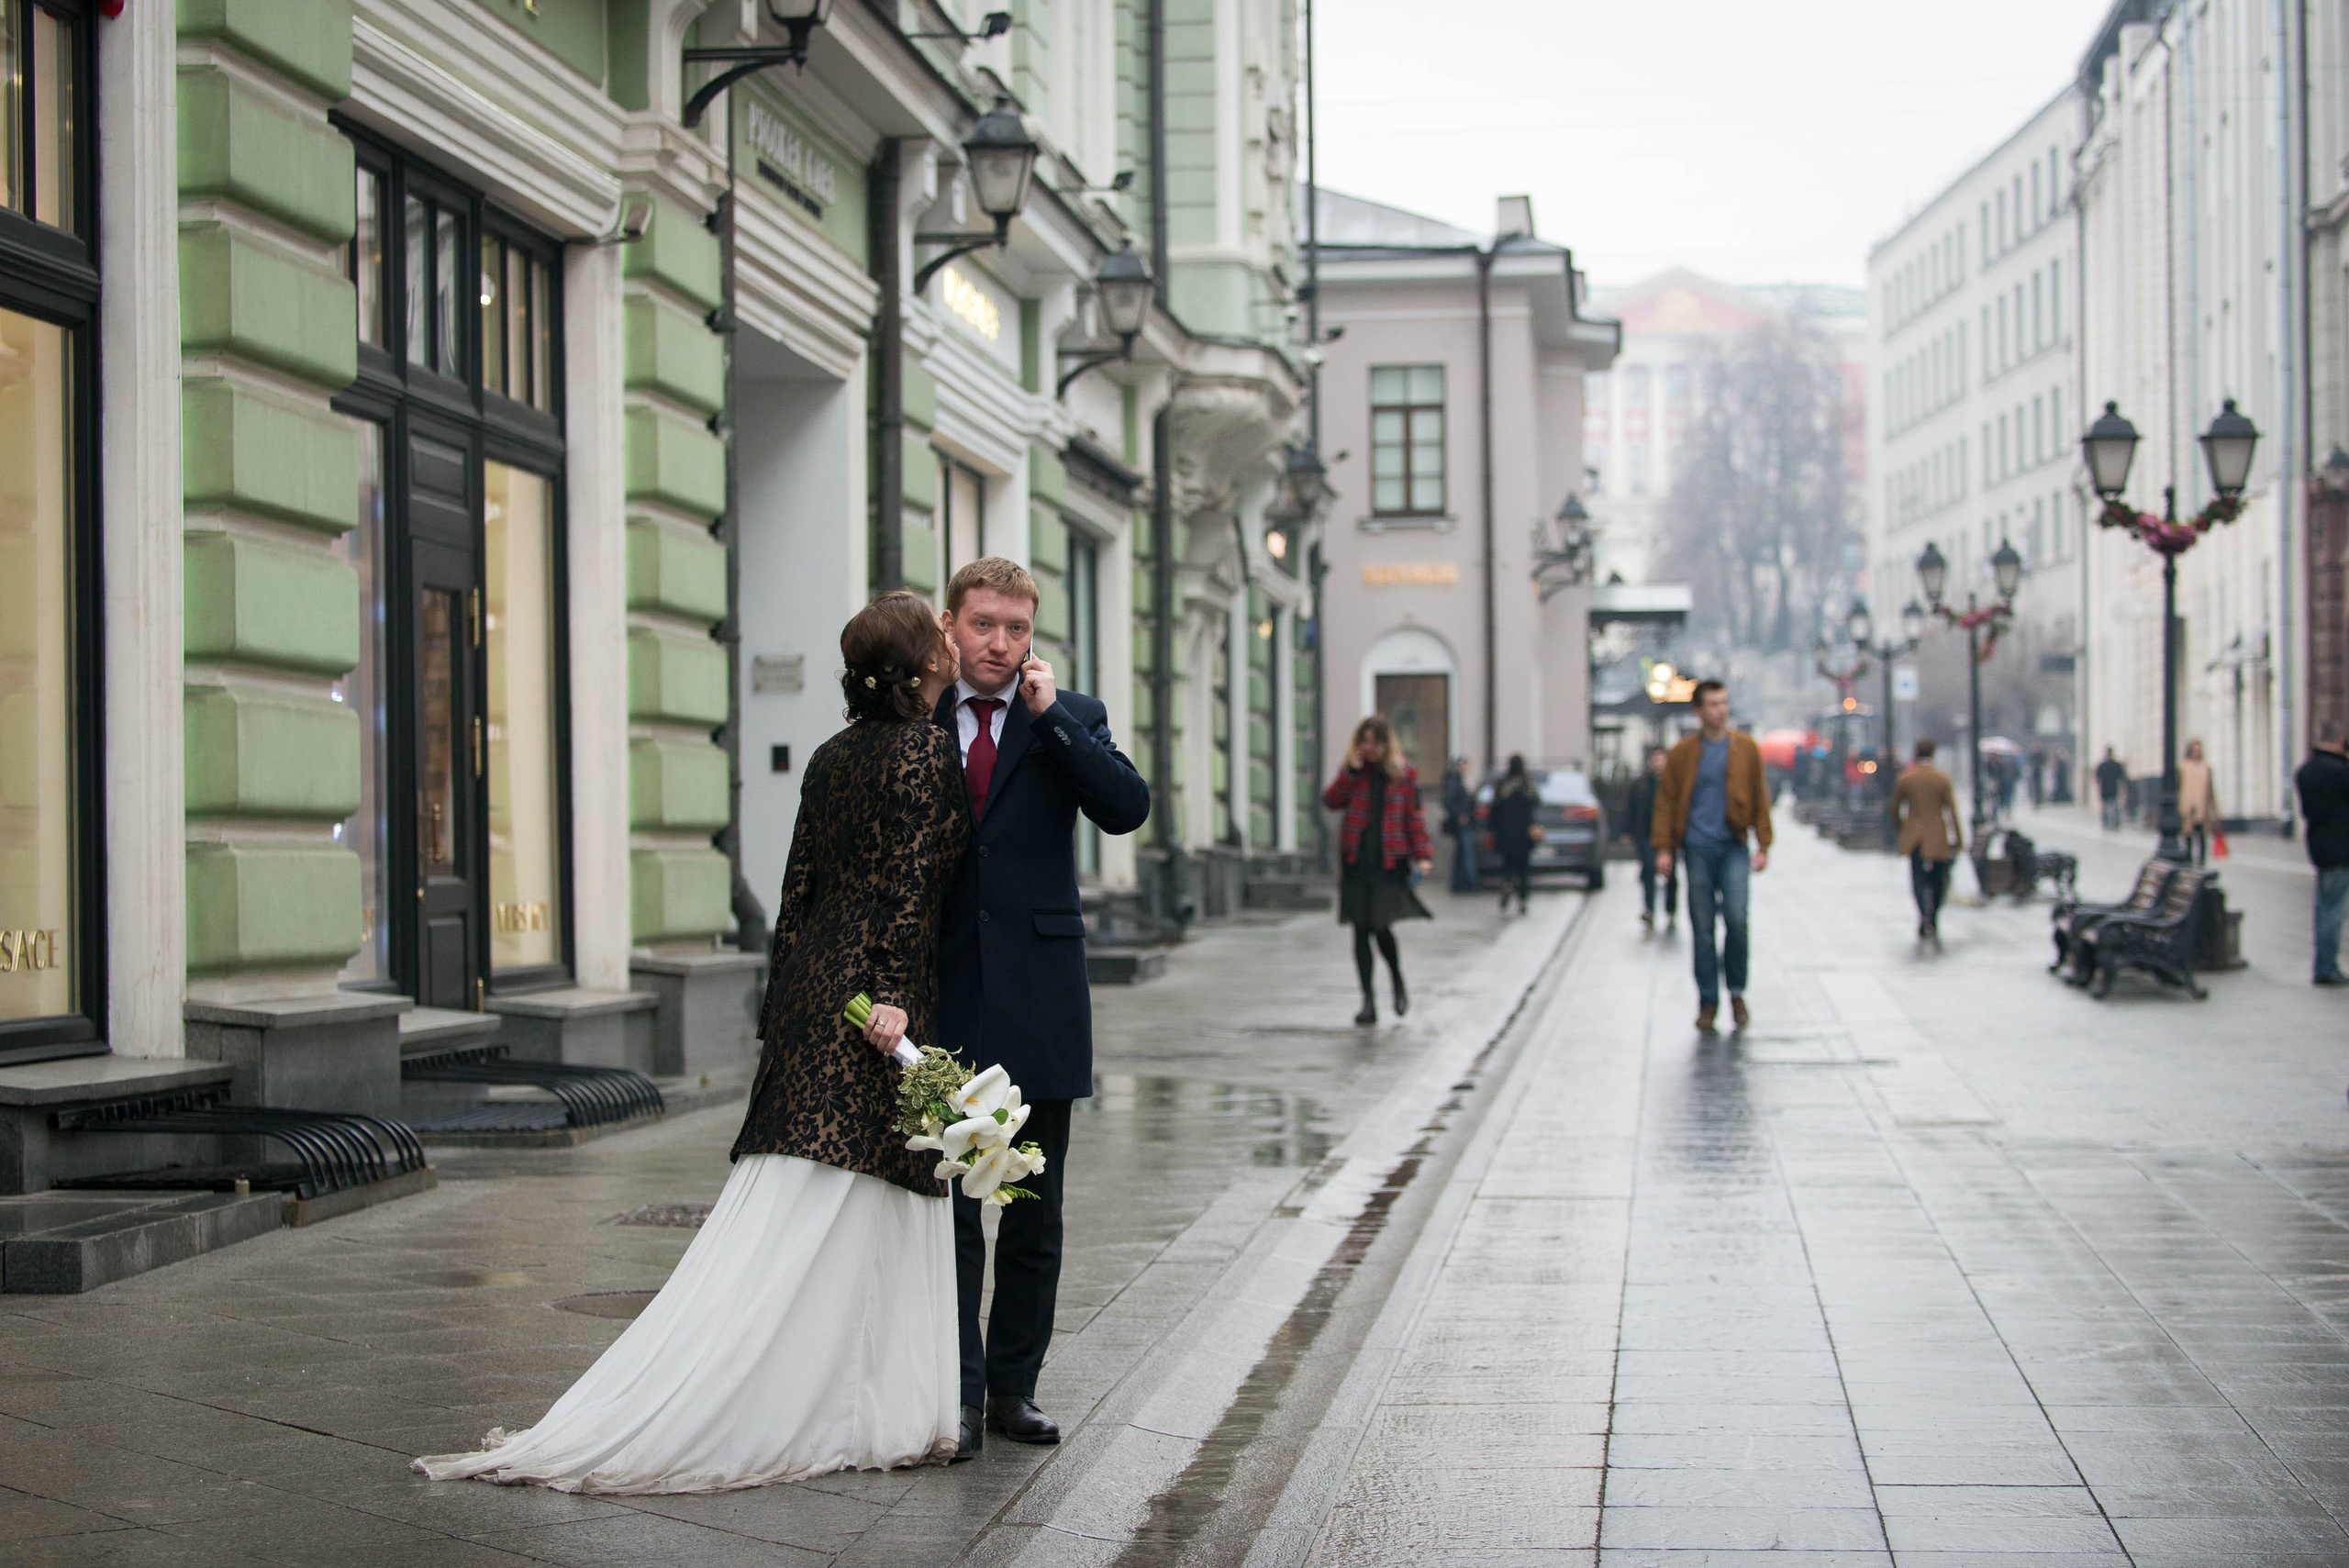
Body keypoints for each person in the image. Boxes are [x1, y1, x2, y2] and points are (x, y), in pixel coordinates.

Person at [417, 591, 972, 1493]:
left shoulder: (831, 757)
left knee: (806, 1210)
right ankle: (874, 1407)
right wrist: (898, 995)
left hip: (813, 995)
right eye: (939, 633)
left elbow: (795, 889)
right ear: (920, 666)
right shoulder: (925, 751)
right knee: (853, 1212)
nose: (953, 642)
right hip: (876, 1006)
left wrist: (786, 999)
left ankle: (867, 1406)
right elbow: (911, 887)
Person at [932, 558, 1151, 1454]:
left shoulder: (1070, 719)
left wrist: (1051, 717)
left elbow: (1125, 807)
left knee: (1028, 1206)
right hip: (941, 1002)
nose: (998, 643)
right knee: (945, 1216)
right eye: (983, 624)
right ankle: (954, 1391)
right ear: (949, 625)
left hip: (1037, 1003)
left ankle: (1012, 1391)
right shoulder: (916, 716)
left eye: (1015, 628)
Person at [1653, 680, 1773, 1032]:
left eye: (1724, 703)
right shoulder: (1683, 754)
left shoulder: (1746, 749)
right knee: (1703, 928)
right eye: (1713, 704)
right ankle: (1708, 999)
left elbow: (1759, 795)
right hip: (1697, 848)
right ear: (1699, 711)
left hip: (1733, 845)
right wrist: (1664, 849)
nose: (1721, 710)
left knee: (1736, 918)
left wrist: (1763, 844)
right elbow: (1666, 802)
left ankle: (1736, 990)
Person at [1324, 716, 1433, 1025]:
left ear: (1385, 744)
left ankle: (1397, 980)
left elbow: (1414, 818)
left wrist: (1423, 855)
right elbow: (1330, 801)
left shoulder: (1404, 773)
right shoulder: (1353, 774)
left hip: (1389, 861)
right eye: (1363, 741)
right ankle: (1367, 1001)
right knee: (1360, 929)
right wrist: (1350, 773)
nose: (1366, 747)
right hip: (1357, 862)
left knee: (1381, 927)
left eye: (1372, 741)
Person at [1893, 738, 1964, 946]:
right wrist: (1958, 838)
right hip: (1937, 835)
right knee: (1938, 879)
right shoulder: (1942, 779)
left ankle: (1923, 913)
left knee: (1917, 877)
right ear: (1933, 754)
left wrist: (1902, 829)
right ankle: (1933, 915)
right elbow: (1952, 810)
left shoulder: (1906, 779)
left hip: (1914, 837)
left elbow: (1895, 808)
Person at [2296, 720, 2349, 987]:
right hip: (2341, 847)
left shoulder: (2305, 771)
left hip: (2317, 844)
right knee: (2334, 909)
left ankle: (2322, 964)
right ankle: (2327, 968)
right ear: (2340, 741)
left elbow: (2306, 811)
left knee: (2323, 907)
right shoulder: (2340, 772)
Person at [1624, 744, 1677, 932]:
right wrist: (1628, 831)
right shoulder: (1641, 784)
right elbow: (1631, 809)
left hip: (1671, 837)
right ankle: (1649, 909)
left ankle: (1671, 908)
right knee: (1648, 872)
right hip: (1647, 834)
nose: (1658, 763)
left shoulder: (1674, 783)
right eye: (1655, 759)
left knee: (1671, 874)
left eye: (1661, 759)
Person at [1490, 754, 1537, 914]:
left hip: (1506, 834)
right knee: (1523, 869)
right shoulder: (1527, 784)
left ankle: (1507, 885)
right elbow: (1536, 802)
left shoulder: (1503, 784)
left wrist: (1492, 830)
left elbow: (1494, 809)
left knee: (1508, 865)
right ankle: (1523, 899)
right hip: (1523, 834)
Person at [2178, 738, 2220, 865]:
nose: (2197, 753)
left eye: (2199, 750)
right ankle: (2188, 863)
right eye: (2195, 750)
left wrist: (2215, 811)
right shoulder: (2183, 767)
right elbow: (2178, 787)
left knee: (2202, 838)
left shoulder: (2206, 767)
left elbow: (2210, 790)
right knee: (2188, 837)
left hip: (2202, 809)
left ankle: (2201, 864)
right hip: (2187, 808)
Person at [1442, 756, 1480, 893]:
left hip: (1463, 821)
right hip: (1462, 822)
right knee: (1466, 852)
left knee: (1461, 853)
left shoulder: (1456, 781)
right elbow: (1449, 801)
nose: (1466, 769)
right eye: (1464, 766)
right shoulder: (1453, 782)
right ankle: (1470, 882)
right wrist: (1460, 815)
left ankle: (1460, 883)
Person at [2095, 747, 2128, 830]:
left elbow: (2121, 778)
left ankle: (2114, 824)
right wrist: (2098, 788)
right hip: (2106, 789)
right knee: (2106, 807)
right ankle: (2106, 823)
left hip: (2112, 788)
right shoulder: (2103, 765)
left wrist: (2123, 789)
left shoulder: (2114, 765)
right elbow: (2098, 779)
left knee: (2114, 807)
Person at [2029, 744, 2047, 809]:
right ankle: (2035, 800)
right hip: (2034, 772)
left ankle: (2039, 800)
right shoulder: (2033, 754)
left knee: (2039, 787)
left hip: (2039, 772)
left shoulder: (2040, 754)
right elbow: (2030, 762)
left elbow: (2044, 762)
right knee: (2034, 787)